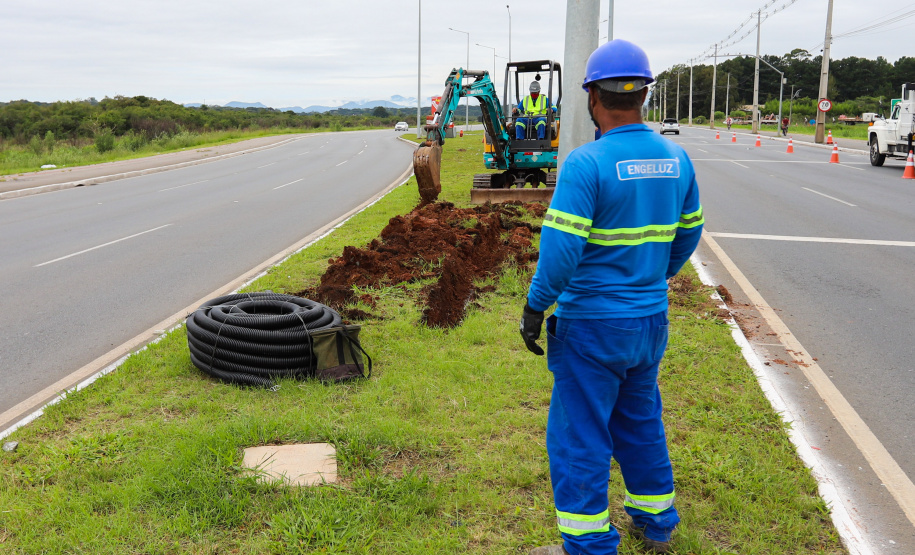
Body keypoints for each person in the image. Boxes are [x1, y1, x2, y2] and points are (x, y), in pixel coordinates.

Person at [520, 38, 704, 555]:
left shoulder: (586, 164)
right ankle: (655, 524)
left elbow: (560, 251)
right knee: (640, 420)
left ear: (591, 99)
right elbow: (690, 232)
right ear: (643, 94)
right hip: (648, 321)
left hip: (592, 326)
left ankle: (588, 545)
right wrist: (652, 277)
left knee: (580, 434)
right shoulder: (676, 157)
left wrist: (536, 306)